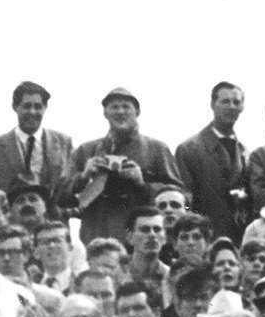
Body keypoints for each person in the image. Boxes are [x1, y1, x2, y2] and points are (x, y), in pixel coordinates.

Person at [62, 89, 183, 248]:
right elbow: (61, 197)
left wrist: (142, 183)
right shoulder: (87, 150)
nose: (120, 112)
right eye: (114, 107)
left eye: (126, 107)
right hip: (96, 233)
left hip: (142, 236)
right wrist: (84, 176)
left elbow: (181, 196)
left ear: (137, 112)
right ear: (105, 113)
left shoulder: (156, 149)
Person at [174, 82, 251, 241]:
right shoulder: (189, 149)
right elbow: (185, 201)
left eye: (236, 102)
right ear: (212, 105)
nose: (231, 107)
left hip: (237, 238)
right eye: (225, 101)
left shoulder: (245, 153)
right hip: (204, 237)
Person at [0, 81, 73, 202]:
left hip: (53, 218)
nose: (32, 112)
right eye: (27, 106)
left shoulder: (64, 142)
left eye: (37, 106)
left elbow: (70, 186)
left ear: (45, 108)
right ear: (15, 107)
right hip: (9, 218)